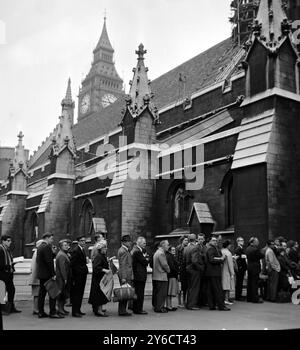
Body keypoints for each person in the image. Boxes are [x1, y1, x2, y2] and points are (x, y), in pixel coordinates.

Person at [36, 233, 61, 318]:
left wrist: (53, 253)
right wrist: (53, 274)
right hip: (47, 275)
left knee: (42, 294)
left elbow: (44, 259)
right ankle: (53, 312)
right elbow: (49, 262)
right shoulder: (46, 247)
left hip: (42, 274)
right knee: (52, 293)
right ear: (46, 238)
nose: (52, 240)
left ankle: (41, 312)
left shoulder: (40, 247)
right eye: (51, 238)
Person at [205, 236, 230, 311]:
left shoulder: (213, 248)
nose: (215, 242)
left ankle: (212, 306)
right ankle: (221, 306)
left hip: (211, 272)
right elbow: (212, 259)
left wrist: (220, 258)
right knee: (218, 289)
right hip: (214, 272)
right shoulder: (211, 249)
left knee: (211, 290)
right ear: (210, 241)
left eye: (216, 240)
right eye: (213, 240)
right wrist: (221, 259)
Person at [0, 235, 21, 315]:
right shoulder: (1, 249)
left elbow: (9, 260)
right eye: (8, 241)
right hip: (2, 274)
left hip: (9, 273)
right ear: (3, 241)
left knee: (11, 290)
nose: (10, 242)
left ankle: (11, 307)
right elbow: (1, 264)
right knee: (2, 292)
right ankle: (3, 309)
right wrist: (9, 265)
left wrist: (12, 263)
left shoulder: (7, 250)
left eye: (10, 241)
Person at [88, 240, 110, 317]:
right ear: (101, 249)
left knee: (98, 294)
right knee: (99, 294)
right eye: (105, 248)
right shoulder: (98, 256)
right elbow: (96, 267)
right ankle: (99, 311)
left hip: (100, 278)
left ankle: (97, 309)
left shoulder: (101, 255)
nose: (106, 249)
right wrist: (104, 270)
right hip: (98, 279)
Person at [185, 235, 206, 310]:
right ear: (196, 240)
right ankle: (191, 305)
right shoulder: (195, 248)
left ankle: (189, 303)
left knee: (191, 288)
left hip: (188, 269)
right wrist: (201, 268)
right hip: (194, 270)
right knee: (194, 288)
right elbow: (194, 261)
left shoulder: (186, 248)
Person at [70, 236, 89, 318]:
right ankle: (75, 311)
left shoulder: (82, 249)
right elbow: (73, 264)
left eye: (84, 241)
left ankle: (78, 310)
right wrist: (80, 272)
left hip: (82, 275)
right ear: (78, 242)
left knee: (80, 293)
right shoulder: (76, 250)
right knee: (76, 294)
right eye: (81, 241)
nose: (83, 242)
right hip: (78, 276)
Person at [131, 236, 149, 315]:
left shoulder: (135, 250)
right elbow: (145, 262)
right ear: (139, 243)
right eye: (144, 243)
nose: (145, 244)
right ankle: (139, 309)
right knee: (140, 293)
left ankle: (136, 308)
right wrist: (146, 259)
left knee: (137, 293)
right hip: (139, 275)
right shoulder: (138, 252)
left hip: (137, 275)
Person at [152, 240, 170, 313]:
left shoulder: (156, 252)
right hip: (161, 276)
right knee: (161, 294)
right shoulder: (161, 253)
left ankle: (157, 306)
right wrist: (168, 270)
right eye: (167, 245)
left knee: (157, 293)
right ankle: (160, 307)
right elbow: (164, 265)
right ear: (163, 245)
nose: (168, 246)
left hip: (156, 276)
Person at [117, 235, 133, 316]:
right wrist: (123, 277)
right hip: (125, 275)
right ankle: (122, 311)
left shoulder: (125, 250)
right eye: (128, 241)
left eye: (129, 241)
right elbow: (122, 265)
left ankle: (123, 310)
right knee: (124, 293)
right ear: (123, 242)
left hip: (126, 274)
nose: (129, 242)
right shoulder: (123, 251)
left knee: (125, 293)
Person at [56, 239, 72, 317]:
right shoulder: (61, 255)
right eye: (65, 245)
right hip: (61, 278)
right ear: (61, 247)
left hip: (63, 277)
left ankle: (62, 308)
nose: (67, 247)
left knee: (64, 294)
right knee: (61, 294)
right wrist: (65, 278)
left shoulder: (64, 254)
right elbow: (62, 268)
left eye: (67, 245)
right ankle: (60, 309)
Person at [246, 237, 264, 303]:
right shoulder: (255, 249)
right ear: (252, 242)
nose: (258, 242)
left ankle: (249, 298)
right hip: (255, 268)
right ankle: (255, 298)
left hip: (249, 267)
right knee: (255, 284)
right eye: (257, 241)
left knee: (250, 283)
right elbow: (262, 255)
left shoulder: (247, 248)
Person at [29, 239, 44, 315]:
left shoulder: (36, 252)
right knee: (37, 294)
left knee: (36, 294)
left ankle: (36, 308)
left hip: (35, 277)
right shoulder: (38, 252)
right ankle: (36, 309)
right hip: (36, 277)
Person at [175, 235, 189, 308]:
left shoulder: (188, 248)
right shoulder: (178, 248)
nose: (187, 241)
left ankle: (184, 301)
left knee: (185, 287)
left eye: (187, 240)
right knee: (180, 287)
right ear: (182, 241)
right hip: (181, 269)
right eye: (185, 240)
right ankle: (179, 302)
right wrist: (178, 270)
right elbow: (177, 259)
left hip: (186, 269)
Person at [221, 240, 235, 306]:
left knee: (223, 286)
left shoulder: (221, 251)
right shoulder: (228, 253)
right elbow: (230, 264)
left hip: (221, 271)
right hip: (227, 271)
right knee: (227, 286)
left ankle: (223, 299)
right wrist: (232, 273)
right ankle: (226, 299)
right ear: (228, 245)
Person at [165, 246, 179, 311]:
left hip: (171, 275)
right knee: (170, 292)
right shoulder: (170, 256)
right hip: (172, 276)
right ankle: (169, 306)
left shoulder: (169, 256)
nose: (174, 251)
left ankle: (169, 305)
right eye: (173, 250)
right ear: (170, 250)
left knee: (170, 292)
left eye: (174, 250)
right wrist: (177, 271)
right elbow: (172, 266)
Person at [234, 237, 247, 301]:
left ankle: (239, 295)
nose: (242, 241)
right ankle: (238, 296)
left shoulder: (241, 248)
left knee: (240, 282)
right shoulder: (238, 248)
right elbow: (238, 257)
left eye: (243, 240)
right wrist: (243, 256)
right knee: (239, 282)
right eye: (241, 240)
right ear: (238, 242)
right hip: (240, 268)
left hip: (241, 268)